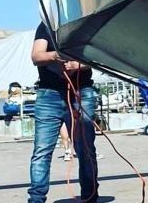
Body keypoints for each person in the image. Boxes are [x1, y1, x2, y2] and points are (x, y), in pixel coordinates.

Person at [27, 22, 99, 203]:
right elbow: (36, 55)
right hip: (49, 94)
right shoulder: (46, 26)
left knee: (85, 149)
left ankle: (90, 196)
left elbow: (97, 57)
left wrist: (78, 64)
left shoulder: (85, 22)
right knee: (42, 151)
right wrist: (56, 56)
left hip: (80, 91)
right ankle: (36, 199)